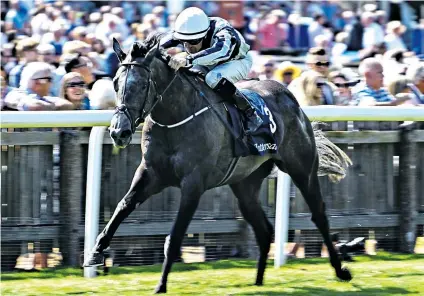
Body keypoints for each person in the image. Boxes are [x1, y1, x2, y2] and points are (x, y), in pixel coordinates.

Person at [160, 7, 262, 134]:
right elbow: (160, 43)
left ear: (205, 33)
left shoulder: (223, 31)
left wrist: (189, 60)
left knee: (212, 78)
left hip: (235, 61)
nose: (188, 46)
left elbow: (222, 51)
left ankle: (249, 112)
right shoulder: (187, 29)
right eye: (183, 41)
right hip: (205, 61)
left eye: (193, 41)